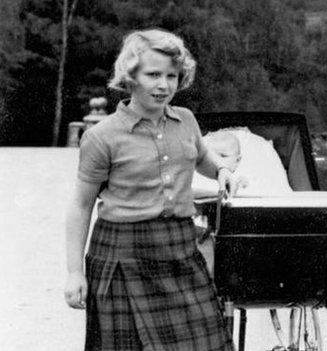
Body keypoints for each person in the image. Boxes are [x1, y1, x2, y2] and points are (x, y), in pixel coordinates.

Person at [63, 28, 241, 350]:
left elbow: (201, 156)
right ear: (130, 76)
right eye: (153, 74)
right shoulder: (102, 137)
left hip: (180, 251)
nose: (163, 85)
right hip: (122, 255)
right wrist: (75, 273)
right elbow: (80, 205)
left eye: (172, 76)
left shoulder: (186, 120)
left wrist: (223, 170)